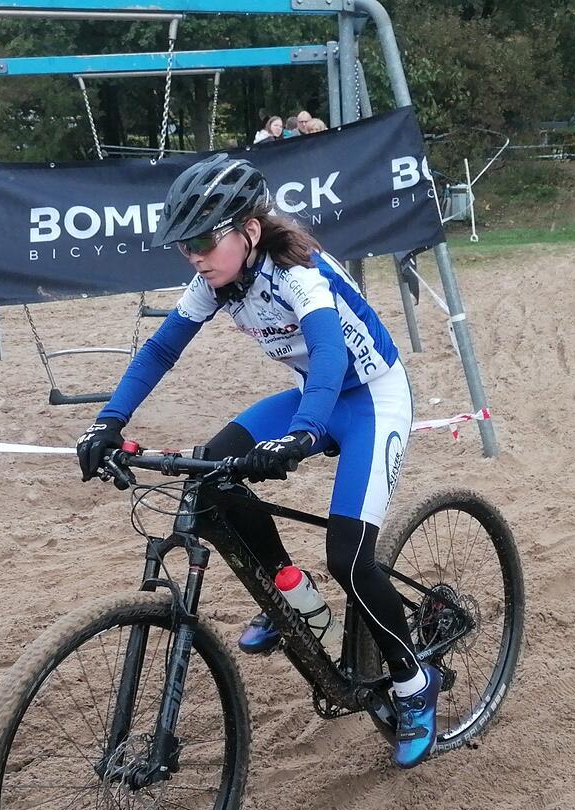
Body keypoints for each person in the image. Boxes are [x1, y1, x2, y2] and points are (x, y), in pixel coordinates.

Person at [75, 154, 442, 769]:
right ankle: (289, 597)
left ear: (248, 230)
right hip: (311, 396)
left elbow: (329, 352)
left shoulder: (299, 272)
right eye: (184, 245)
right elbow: (161, 351)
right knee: (212, 474)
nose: (193, 256)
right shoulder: (214, 283)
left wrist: (303, 432)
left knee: (348, 557)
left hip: (370, 400)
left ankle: (413, 683)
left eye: (202, 241)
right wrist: (108, 421)